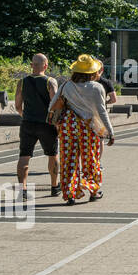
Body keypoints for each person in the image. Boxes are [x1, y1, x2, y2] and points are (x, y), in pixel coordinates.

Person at [50, 54, 116, 205]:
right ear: (92, 72)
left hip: (68, 127)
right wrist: (110, 132)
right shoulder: (96, 87)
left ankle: (70, 194)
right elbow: (102, 111)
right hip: (88, 128)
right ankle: (92, 189)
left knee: (68, 160)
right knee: (90, 160)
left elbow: (52, 106)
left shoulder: (66, 85)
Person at [14, 54, 59, 200]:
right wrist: (57, 123)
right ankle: (54, 186)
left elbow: (17, 105)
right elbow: (56, 105)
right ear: (46, 66)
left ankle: (23, 190)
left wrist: (25, 116)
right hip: (46, 124)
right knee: (52, 155)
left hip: (27, 124)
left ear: (32, 65)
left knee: (24, 156)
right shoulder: (50, 81)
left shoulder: (22, 82)